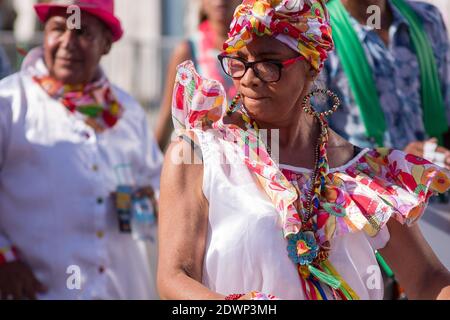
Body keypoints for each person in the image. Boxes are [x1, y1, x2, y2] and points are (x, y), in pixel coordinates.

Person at [157, 0, 450, 300]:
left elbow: (427, 278)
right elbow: (174, 278)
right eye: (238, 61)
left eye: (269, 63)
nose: (248, 78)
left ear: (312, 65)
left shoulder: (361, 172)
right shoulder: (199, 155)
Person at [0, 0, 163, 300]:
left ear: (106, 45)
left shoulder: (128, 111)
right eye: (58, 29)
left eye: (83, 33)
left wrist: (145, 200)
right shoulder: (9, 103)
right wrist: (4, 260)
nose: (67, 43)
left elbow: (158, 185)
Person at [323, 0, 450, 298]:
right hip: (367, 222)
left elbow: (444, 117)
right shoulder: (319, 33)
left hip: (436, 202)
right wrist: (393, 160)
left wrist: (433, 156)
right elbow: (311, 140)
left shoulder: (425, 18)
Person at [154, 0, 241, 151]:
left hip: (244, 155)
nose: (220, 1)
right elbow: (168, 117)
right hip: (198, 158)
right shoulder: (188, 51)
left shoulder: (253, 50)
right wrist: (151, 168)